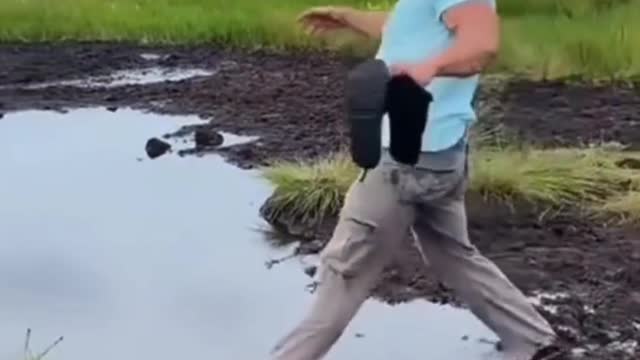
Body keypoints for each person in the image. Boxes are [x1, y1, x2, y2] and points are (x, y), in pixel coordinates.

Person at [271, 1, 561, 359]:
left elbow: (482, 45)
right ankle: (533, 341)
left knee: (343, 271)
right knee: (454, 256)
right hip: (440, 155)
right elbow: (410, 29)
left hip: (406, 160)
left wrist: (431, 67)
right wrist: (348, 18)